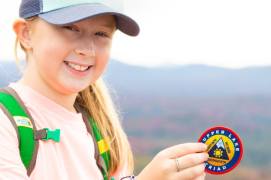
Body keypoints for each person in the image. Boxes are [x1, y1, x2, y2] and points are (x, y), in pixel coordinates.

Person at [0, 0, 208, 179]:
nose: (86, 49)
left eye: (101, 33)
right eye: (71, 28)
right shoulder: (6, 121)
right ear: (26, 34)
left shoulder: (103, 131)